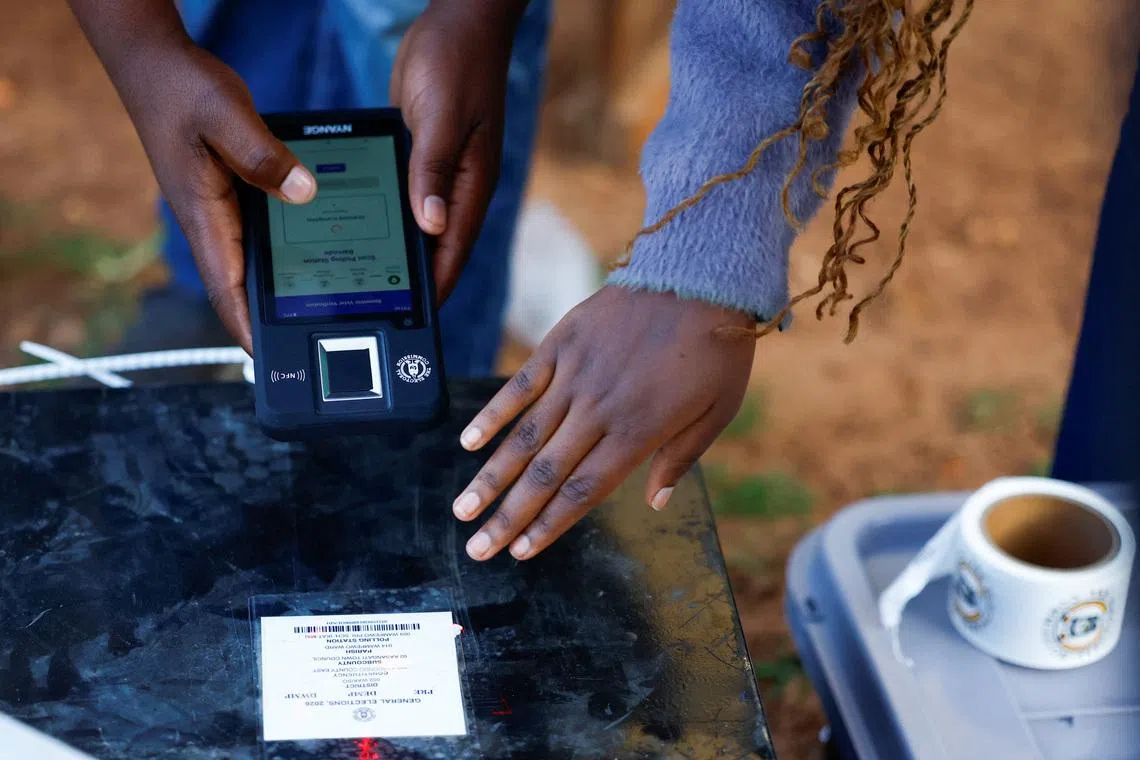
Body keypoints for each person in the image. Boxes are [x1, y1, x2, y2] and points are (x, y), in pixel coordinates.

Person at [69, 0, 551, 380]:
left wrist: (476, 14)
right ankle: (203, 296)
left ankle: (435, 376)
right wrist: (144, 50)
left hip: (439, 20)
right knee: (219, 161)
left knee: (433, 220)